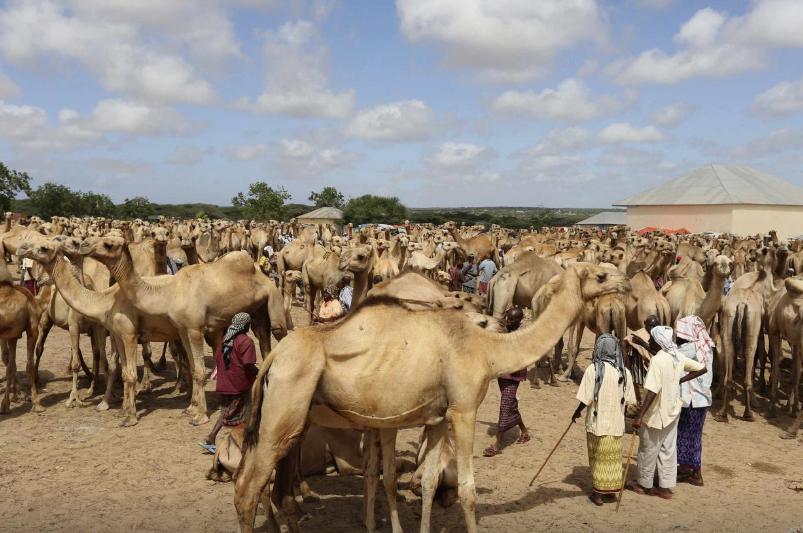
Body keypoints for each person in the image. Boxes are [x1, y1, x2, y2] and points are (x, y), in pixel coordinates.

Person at [630, 326, 707, 499]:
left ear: (658, 342)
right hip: (672, 412)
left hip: (656, 413)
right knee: (668, 451)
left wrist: (639, 416)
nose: (649, 342)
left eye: (651, 339)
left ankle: (643, 484)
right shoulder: (677, 356)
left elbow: (652, 390)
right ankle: (664, 487)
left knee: (648, 449)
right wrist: (680, 380)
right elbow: (702, 368)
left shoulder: (658, 360)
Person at [572, 334, 637, 505]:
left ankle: (598, 494)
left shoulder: (593, 370)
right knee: (613, 460)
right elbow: (630, 402)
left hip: (597, 424)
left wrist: (577, 412)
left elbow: (586, 398)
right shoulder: (625, 373)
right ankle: (611, 492)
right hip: (616, 425)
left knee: (598, 458)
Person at [483, 307, 531, 457]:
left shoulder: (522, 336)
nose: (508, 321)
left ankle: (497, 444)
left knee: (505, 406)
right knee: (511, 404)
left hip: (513, 375)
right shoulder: (503, 329)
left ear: (519, 321)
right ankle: (524, 432)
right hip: (502, 373)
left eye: (512, 320)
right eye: (507, 318)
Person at [206, 313, 257, 446]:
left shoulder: (225, 339)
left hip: (225, 383)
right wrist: (259, 373)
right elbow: (248, 364)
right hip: (240, 384)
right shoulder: (246, 341)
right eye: (248, 324)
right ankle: (238, 441)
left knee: (226, 411)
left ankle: (212, 436)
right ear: (245, 325)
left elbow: (218, 359)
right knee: (243, 412)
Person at [675, 315, 714, 486]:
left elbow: (670, 356)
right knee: (692, 436)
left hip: (692, 400)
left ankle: (697, 473)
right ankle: (686, 469)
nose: (678, 336)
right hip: (702, 400)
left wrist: (642, 343)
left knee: (687, 435)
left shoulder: (691, 348)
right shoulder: (707, 347)